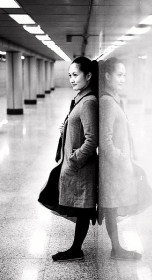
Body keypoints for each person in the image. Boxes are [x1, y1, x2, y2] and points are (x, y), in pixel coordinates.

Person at [48, 56, 98, 261]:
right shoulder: (80, 99)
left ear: (88, 75)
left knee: (84, 209)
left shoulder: (89, 102)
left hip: (81, 167)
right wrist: (65, 129)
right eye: (69, 75)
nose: (72, 79)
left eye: (75, 75)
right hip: (75, 166)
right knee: (82, 209)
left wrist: (74, 159)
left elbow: (92, 139)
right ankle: (76, 248)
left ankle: (76, 249)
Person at [99, 57, 142, 260]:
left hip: (117, 166)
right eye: (119, 75)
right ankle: (117, 249)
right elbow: (105, 141)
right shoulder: (107, 102)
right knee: (111, 206)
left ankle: (117, 248)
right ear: (107, 76)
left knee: (112, 206)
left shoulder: (114, 99)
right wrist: (123, 160)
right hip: (112, 168)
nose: (123, 79)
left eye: (124, 75)